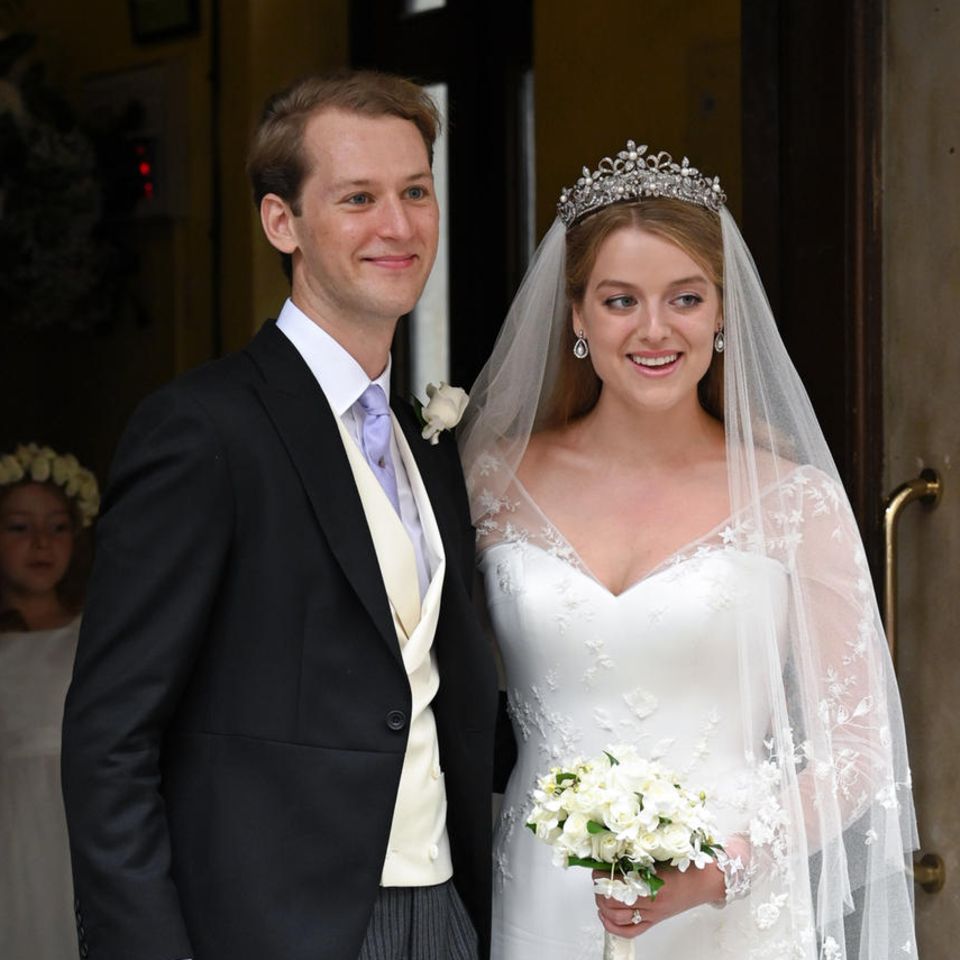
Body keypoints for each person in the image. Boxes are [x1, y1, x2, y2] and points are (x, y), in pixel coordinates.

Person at [61, 71, 499, 960]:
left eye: (416, 191)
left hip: (447, 913)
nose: (400, 225)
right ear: (280, 222)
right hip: (272, 929)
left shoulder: (431, 442)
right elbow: (110, 740)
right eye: (358, 198)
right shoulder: (201, 431)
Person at [458, 142, 918, 958]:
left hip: (732, 907)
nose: (654, 329)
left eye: (684, 297)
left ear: (720, 314)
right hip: (544, 898)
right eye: (619, 300)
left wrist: (725, 870)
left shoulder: (794, 502)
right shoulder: (492, 483)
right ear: (576, 316)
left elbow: (858, 748)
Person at [0, 443, 98, 960]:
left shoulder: (96, 633)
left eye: (57, 527)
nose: (41, 542)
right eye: (19, 527)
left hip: (79, 818)